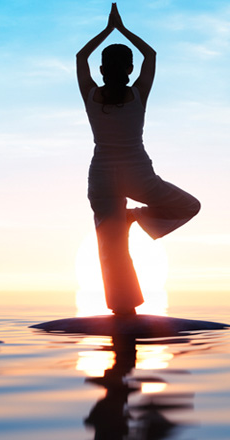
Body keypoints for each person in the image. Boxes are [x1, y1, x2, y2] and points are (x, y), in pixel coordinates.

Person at [77, 4, 200, 317]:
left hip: (102, 174)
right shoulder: (138, 93)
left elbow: (80, 58)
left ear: (103, 70)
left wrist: (107, 30)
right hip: (137, 173)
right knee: (188, 205)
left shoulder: (91, 94)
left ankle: (123, 308)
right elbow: (152, 56)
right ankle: (136, 217)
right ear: (129, 70)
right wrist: (122, 30)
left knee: (111, 245)